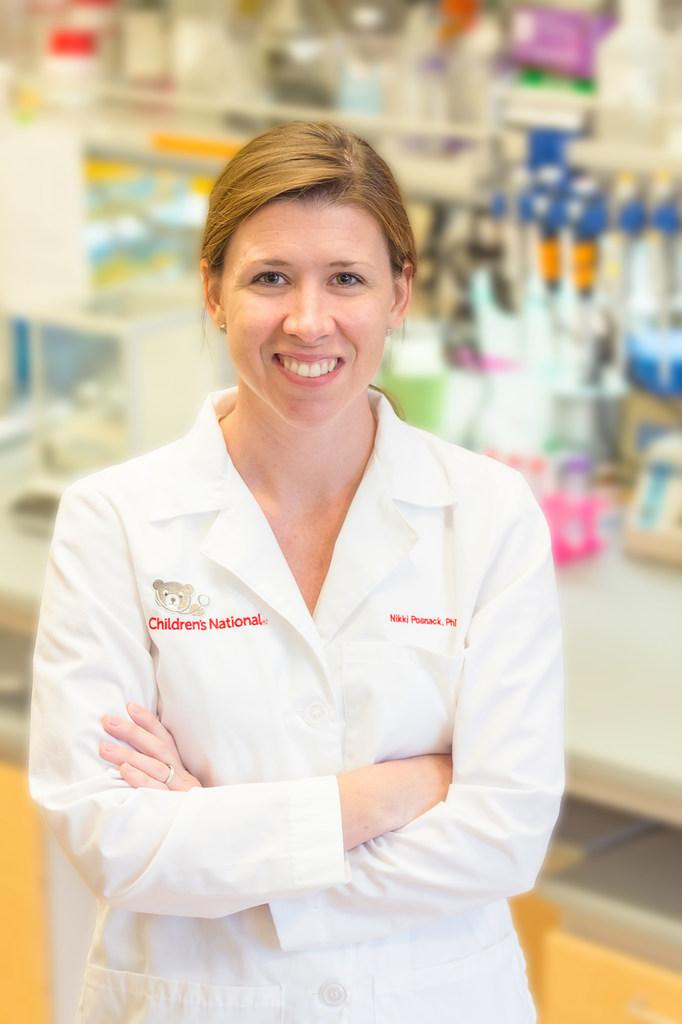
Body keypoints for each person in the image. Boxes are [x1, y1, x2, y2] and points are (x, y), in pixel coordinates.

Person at [28, 120, 565, 1024]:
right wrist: (393, 793)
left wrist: (217, 842)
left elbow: (501, 838)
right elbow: (110, 838)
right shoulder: (115, 520)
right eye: (270, 278)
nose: (308, 321)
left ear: (400, 293)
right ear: (213, 292)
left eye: (346, 279)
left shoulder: (486, 514)